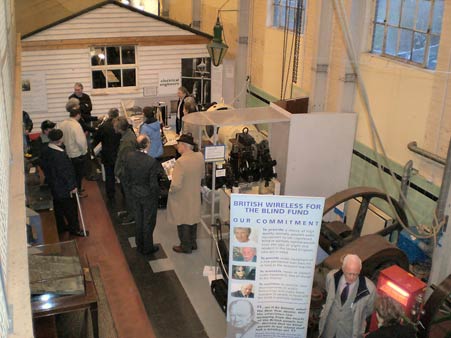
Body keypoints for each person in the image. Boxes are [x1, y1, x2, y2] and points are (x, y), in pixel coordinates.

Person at [40, 129, 87, 237]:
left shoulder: (46, 150)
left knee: (59, 208)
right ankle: (74, 229)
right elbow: (65, 172)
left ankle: (61, 227)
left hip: (54, 185)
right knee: (70, 209)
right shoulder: (60, 155)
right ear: (60, 139)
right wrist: (72, 186)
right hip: (63, 187)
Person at [123, 135, 165, 255]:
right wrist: (158, 195)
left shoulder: (129, 157)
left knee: (139, 219)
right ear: (147, 145)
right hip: (148, 196)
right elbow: (153, 184)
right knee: (148, 221)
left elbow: (126, 177)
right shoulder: (151, 161)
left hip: (134, 194)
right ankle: (148, 247)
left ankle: (139, 243)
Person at [318, 254, 376, 338]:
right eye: (349, 273)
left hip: (348, 334)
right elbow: (328, 295)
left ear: (360, 270)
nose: (352, 277)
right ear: (343, 269)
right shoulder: (331, 277)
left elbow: (369, 310)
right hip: (328, 330)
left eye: (355, 274)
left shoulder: (370, 289)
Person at [167, 133, 205, 253]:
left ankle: (185, 246)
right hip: (194, 193)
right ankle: (193, 243)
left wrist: (170, 190)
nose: (177, 147)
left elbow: (176, 185)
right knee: (193, 219)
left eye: (178, 144)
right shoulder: (199, 156)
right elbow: (203, 175)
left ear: (184, 145)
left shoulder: (180, 162)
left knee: (182, 221)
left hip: (182, 197)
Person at [59, 98, 88, 197]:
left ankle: (73, 189)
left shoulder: (62, 124)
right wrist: (85, 151)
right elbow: (81, 141)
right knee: (78, 174)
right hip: (76, 154)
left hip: (66, 153)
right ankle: (78, 191)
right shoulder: (76, 125)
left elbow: (60, 138)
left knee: (70, 173)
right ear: (78, 115)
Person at [94, 108, 121, 201]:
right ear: (117, 115)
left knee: (109, 176)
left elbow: (96, 139)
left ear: (109, 115)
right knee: (122, 175)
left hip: (107, 154)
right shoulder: (121, 125)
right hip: (119, 154)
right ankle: (124, 194)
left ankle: (111, 196)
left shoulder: (103, 126)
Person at [114, 116, 137, 225]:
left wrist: (119, 172)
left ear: (120, 128)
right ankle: (130, 212)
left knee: (129, 195)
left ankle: (132, 215)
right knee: (128, 194)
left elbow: (125, 159)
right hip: (126, 171)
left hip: (126, 173)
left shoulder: (127, 141)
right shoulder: (128, 135)